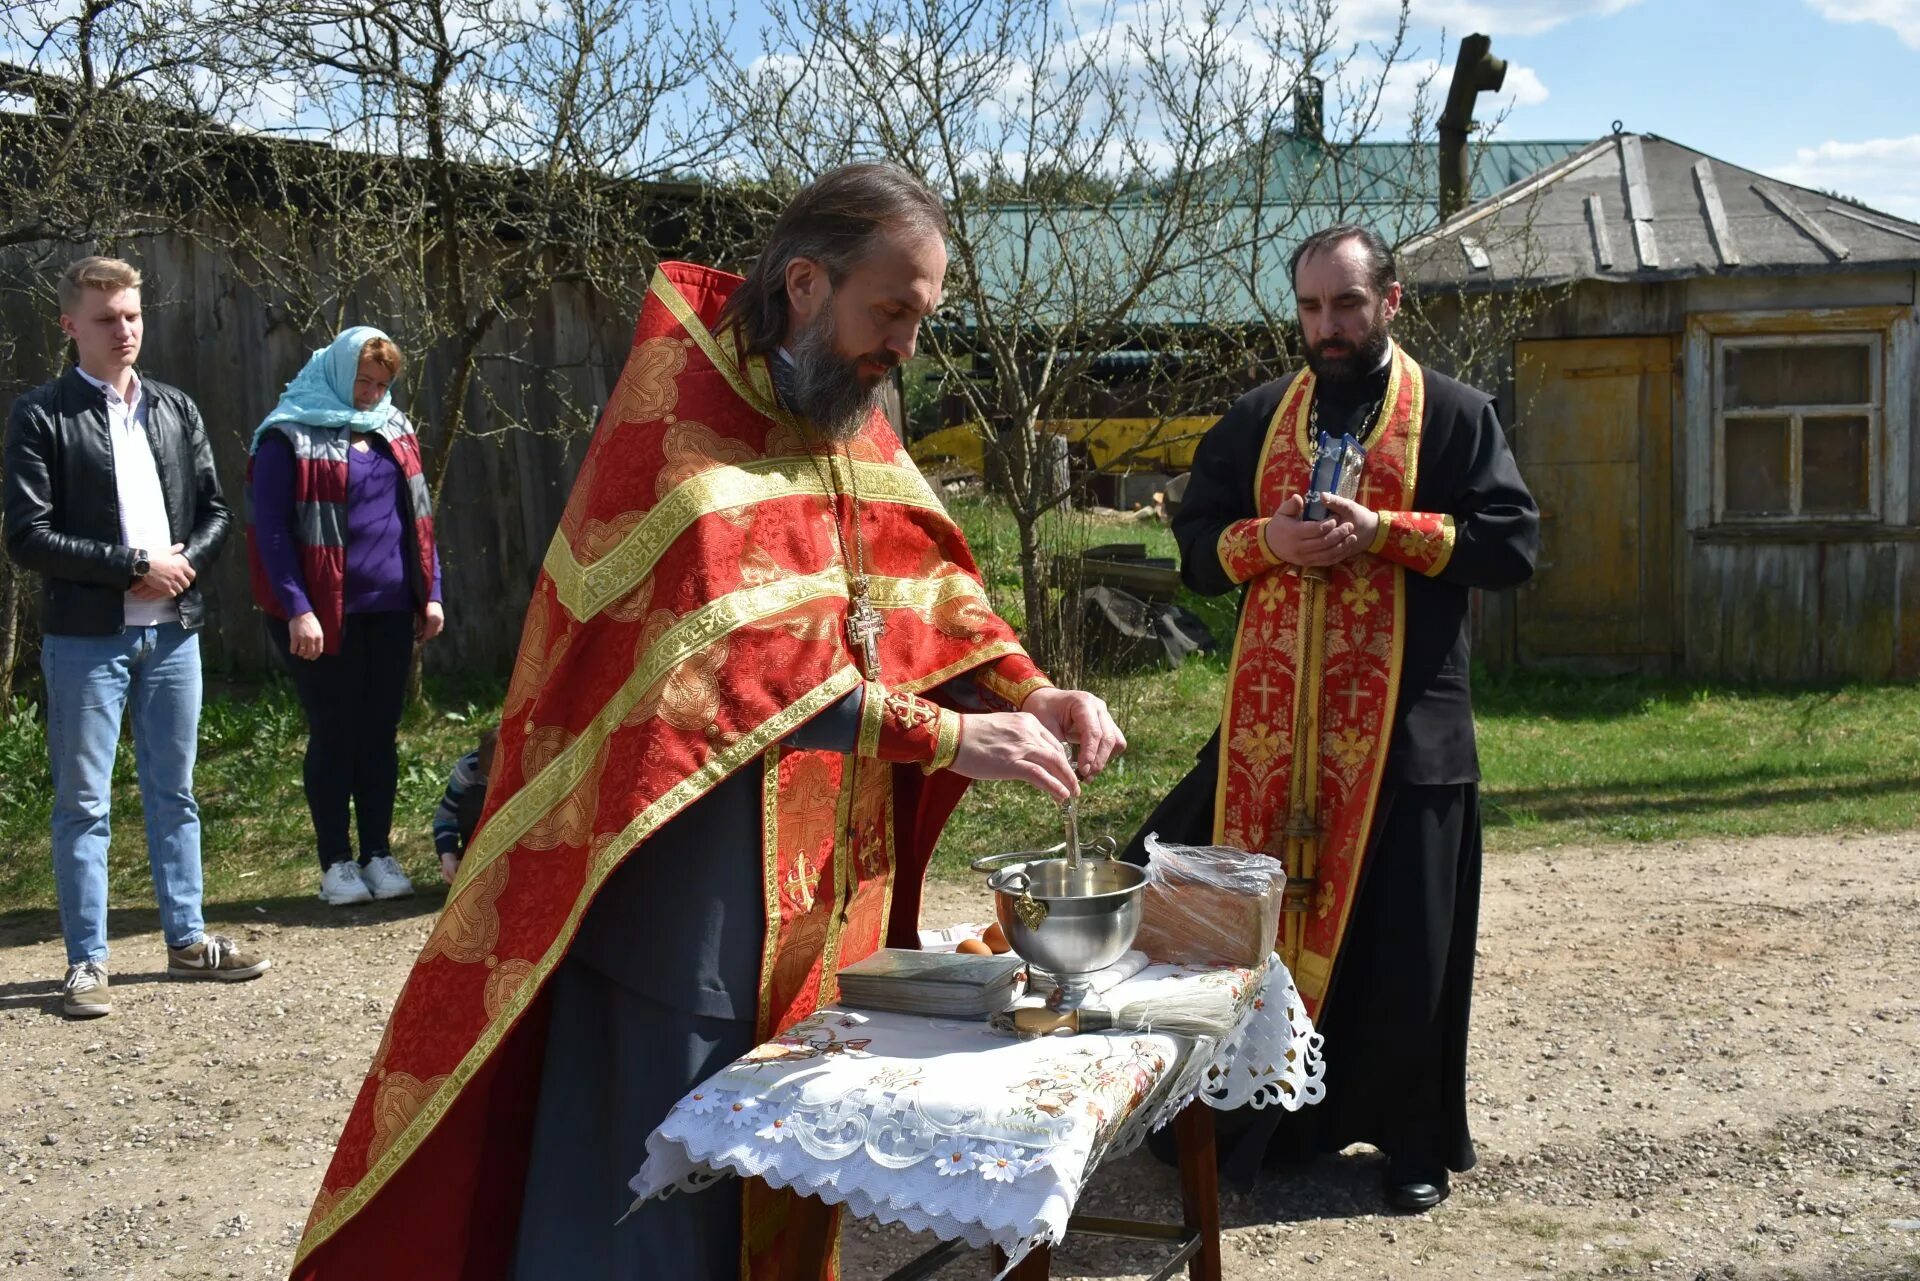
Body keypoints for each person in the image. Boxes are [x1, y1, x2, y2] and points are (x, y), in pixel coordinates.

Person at [290, 163, 1126, 1281]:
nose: (907, 349)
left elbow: (930, 593)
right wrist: (951, 739)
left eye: (923, 319)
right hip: (689, 901)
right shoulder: (679, 436)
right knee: (656, 1197)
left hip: (822, 883)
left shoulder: (851, 421)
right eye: (892, 313)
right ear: (803, 285)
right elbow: (733, 672)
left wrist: (1030, 690)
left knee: (785, 1174)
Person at [1124, 225, 1538, 1211]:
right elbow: (1191, 546)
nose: (1328, 326)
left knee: (1409, 949)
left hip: (1405, 732)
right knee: (1225, 926)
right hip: (1270, 733)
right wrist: (1263, 540)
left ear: (1390, 302)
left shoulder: (1457, 416)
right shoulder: (1258, 416)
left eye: (1347, 305)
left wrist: (1387, 532)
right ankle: (1254, 1125)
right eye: (1311, 308)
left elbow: (1511, 545)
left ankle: (1412, 1146)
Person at [3, 255, 272, 1020]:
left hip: (173, 640)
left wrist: (180, 565)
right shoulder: (41, 415)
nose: (124, 330)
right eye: (106, 318)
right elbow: (26, 536)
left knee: (175, 794)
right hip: (87, 642)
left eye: (132, 315)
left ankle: (187, 941)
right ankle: (87, 963)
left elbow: (217, 509)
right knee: (83, 804)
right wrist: (131, 567)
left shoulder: (175, 408)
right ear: (69, 326)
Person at [245, 327, 445, 906]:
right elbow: (272, 534)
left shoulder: (394, 431)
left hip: (389, 611)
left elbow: (421, 517)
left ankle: (378, 853)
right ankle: (335, 861)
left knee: (379, 734)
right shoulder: (287, 436)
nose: (371, 392)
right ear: (336, 371)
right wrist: (296, 608)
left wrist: (431, 591)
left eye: (381, 383)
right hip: (319, 616)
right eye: (363, 379)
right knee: (334, 733)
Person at [431, 725, 497, 884]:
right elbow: (445, 818)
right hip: (480, 833)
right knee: (471, 799)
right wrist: (448, 858)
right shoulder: (468, 768)